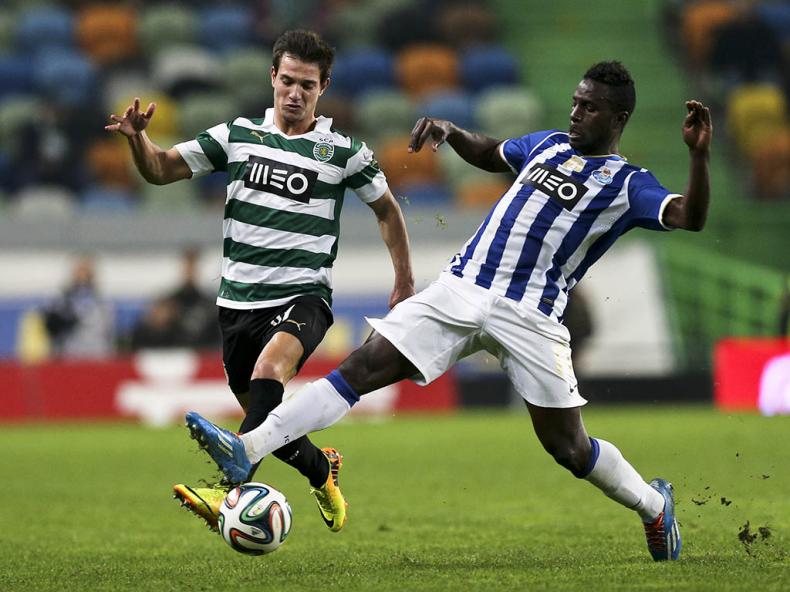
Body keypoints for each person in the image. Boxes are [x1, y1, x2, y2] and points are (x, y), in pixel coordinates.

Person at [185, 61, 712, 561]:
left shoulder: (628, 184)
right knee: (361, 367)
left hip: (531, 316)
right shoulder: (548, 145)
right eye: (575, 103)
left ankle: (653, 505)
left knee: (569, 448)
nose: (575, 114)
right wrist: (454, 132)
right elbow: (493, 153)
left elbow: (689, 216)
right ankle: (247, 448)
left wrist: (698, 157)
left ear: (619, 118)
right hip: (461, 288)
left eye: (590, 108)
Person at [106, 30, 414, 533]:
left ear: (323, 87)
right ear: (272, 76)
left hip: (304, 296)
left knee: (272, 368)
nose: (295, 93)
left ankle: (224, 492)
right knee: (271, 425)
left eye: (307, 85)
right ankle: (322, 469)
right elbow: (160, 170)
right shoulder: (237, 135)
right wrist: (138, 139)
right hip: (237, 303)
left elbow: (387, 210)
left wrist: (403, 281)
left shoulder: (344, 152)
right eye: (288, 81)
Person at [42, 255, 115, 358]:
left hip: (97, 358)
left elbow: (109, 334)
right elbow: (52, 330)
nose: (83, 275)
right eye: (80, 270)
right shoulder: (61, 301)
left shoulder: (103, 303)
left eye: (86, 271)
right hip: (70, 357)